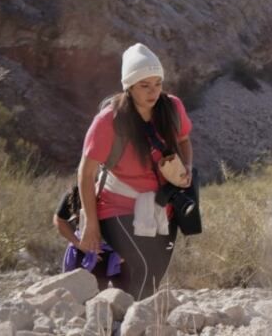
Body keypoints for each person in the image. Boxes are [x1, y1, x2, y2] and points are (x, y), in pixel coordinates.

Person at [77, 43, 194, 300]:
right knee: (146, 265)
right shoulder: (109, 121)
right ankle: (126, 321)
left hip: (163, 207)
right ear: (128, 86)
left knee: (152, 275)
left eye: (157, 83)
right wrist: (91, 224)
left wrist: (188, 167)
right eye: (144, 85)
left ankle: (124, 320)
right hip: (117, 207)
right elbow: (85, 174)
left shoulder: (172, 108)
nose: (153, 92)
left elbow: (184, 140)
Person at [53, 184, 118, 289]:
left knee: (130, 299)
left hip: (119, 256)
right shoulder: (78, 190)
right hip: (87, 255)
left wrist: (126, 251)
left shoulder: (121, 187)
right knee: (85, 298)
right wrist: (79, 244)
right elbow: (59, 220)